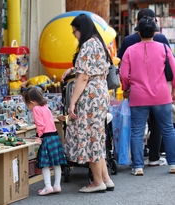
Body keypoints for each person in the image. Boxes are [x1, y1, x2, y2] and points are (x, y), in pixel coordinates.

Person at [61, 13, 114, 193]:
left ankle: (97, 182)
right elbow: (91, 67)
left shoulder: (87, 46)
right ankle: (105, 179)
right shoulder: (98, 42)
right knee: (97, 136)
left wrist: (72, 103)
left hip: (90, 96)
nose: (75, 35)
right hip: (100, 92)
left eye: (75, 31)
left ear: (81, 29)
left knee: (91, 137)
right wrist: (73, 69)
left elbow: (83, 77)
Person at [119, 16, 175, 176]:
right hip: (162, 95)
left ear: (138, 33)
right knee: (168, 129)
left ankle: (137, 167)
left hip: (138, 96)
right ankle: (173, 164)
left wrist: (126, 88)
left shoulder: (130, 51)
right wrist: (174, 91)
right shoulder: (164, 48)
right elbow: (174, 70)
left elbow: (123, 75)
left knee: (136, 131)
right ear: (155, 32)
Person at [22, 86, 67, 196]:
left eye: (27, 105)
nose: (28, 108)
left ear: (32, 102)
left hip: (46, 138)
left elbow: (40, 125)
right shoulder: (45, 107)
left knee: (45, 164)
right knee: (57, 163)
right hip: (55, 137)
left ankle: (48, 186)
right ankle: (57, 185)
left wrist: (38, 138)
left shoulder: (36, 109)